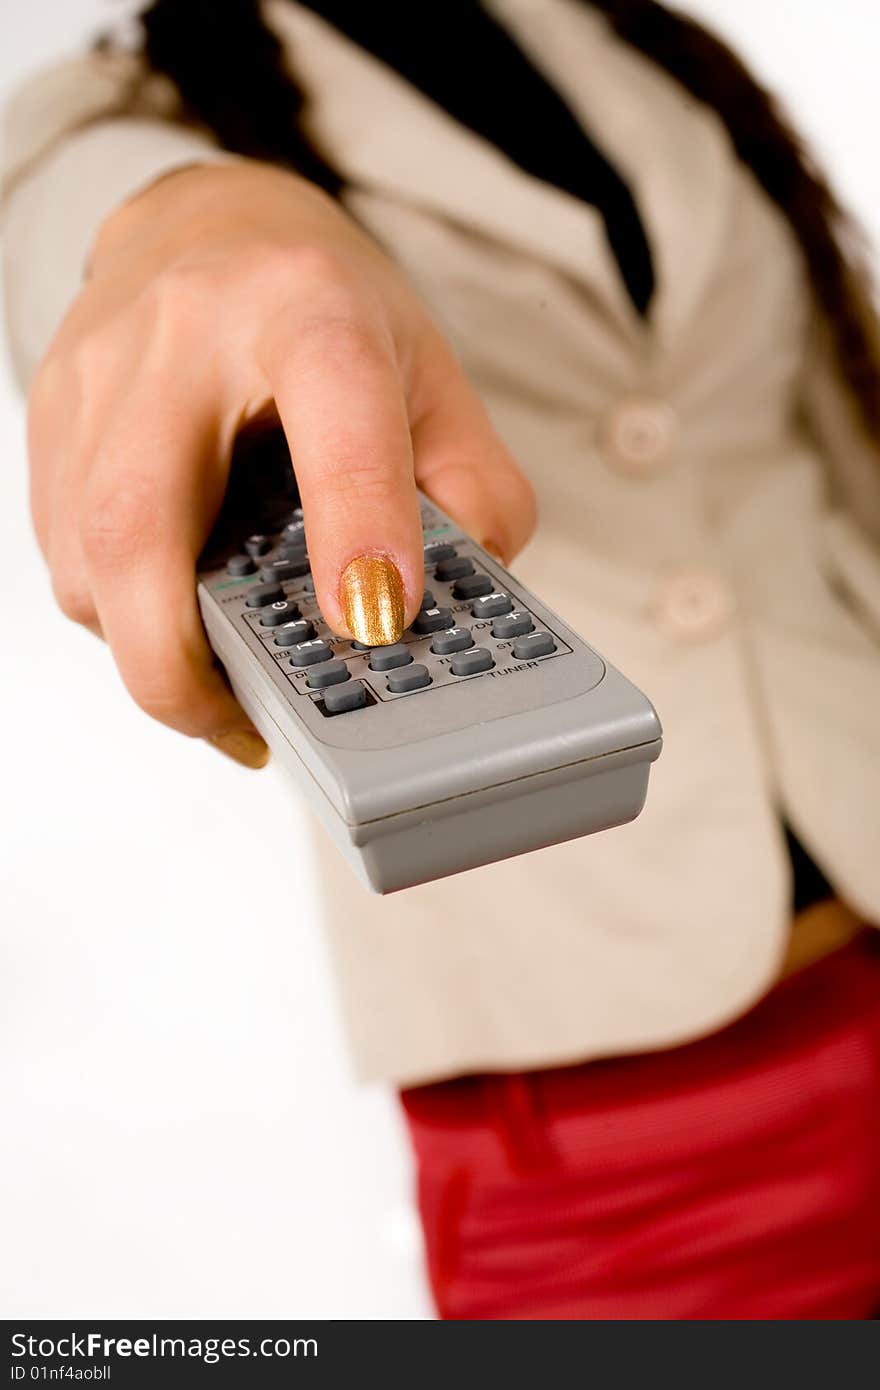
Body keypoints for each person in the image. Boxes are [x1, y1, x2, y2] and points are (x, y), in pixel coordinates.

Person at [4, 0, 880, 1319]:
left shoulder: (641, 46)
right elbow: (89, 216)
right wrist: (201, 223)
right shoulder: (112, 112)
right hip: (602, 1143)